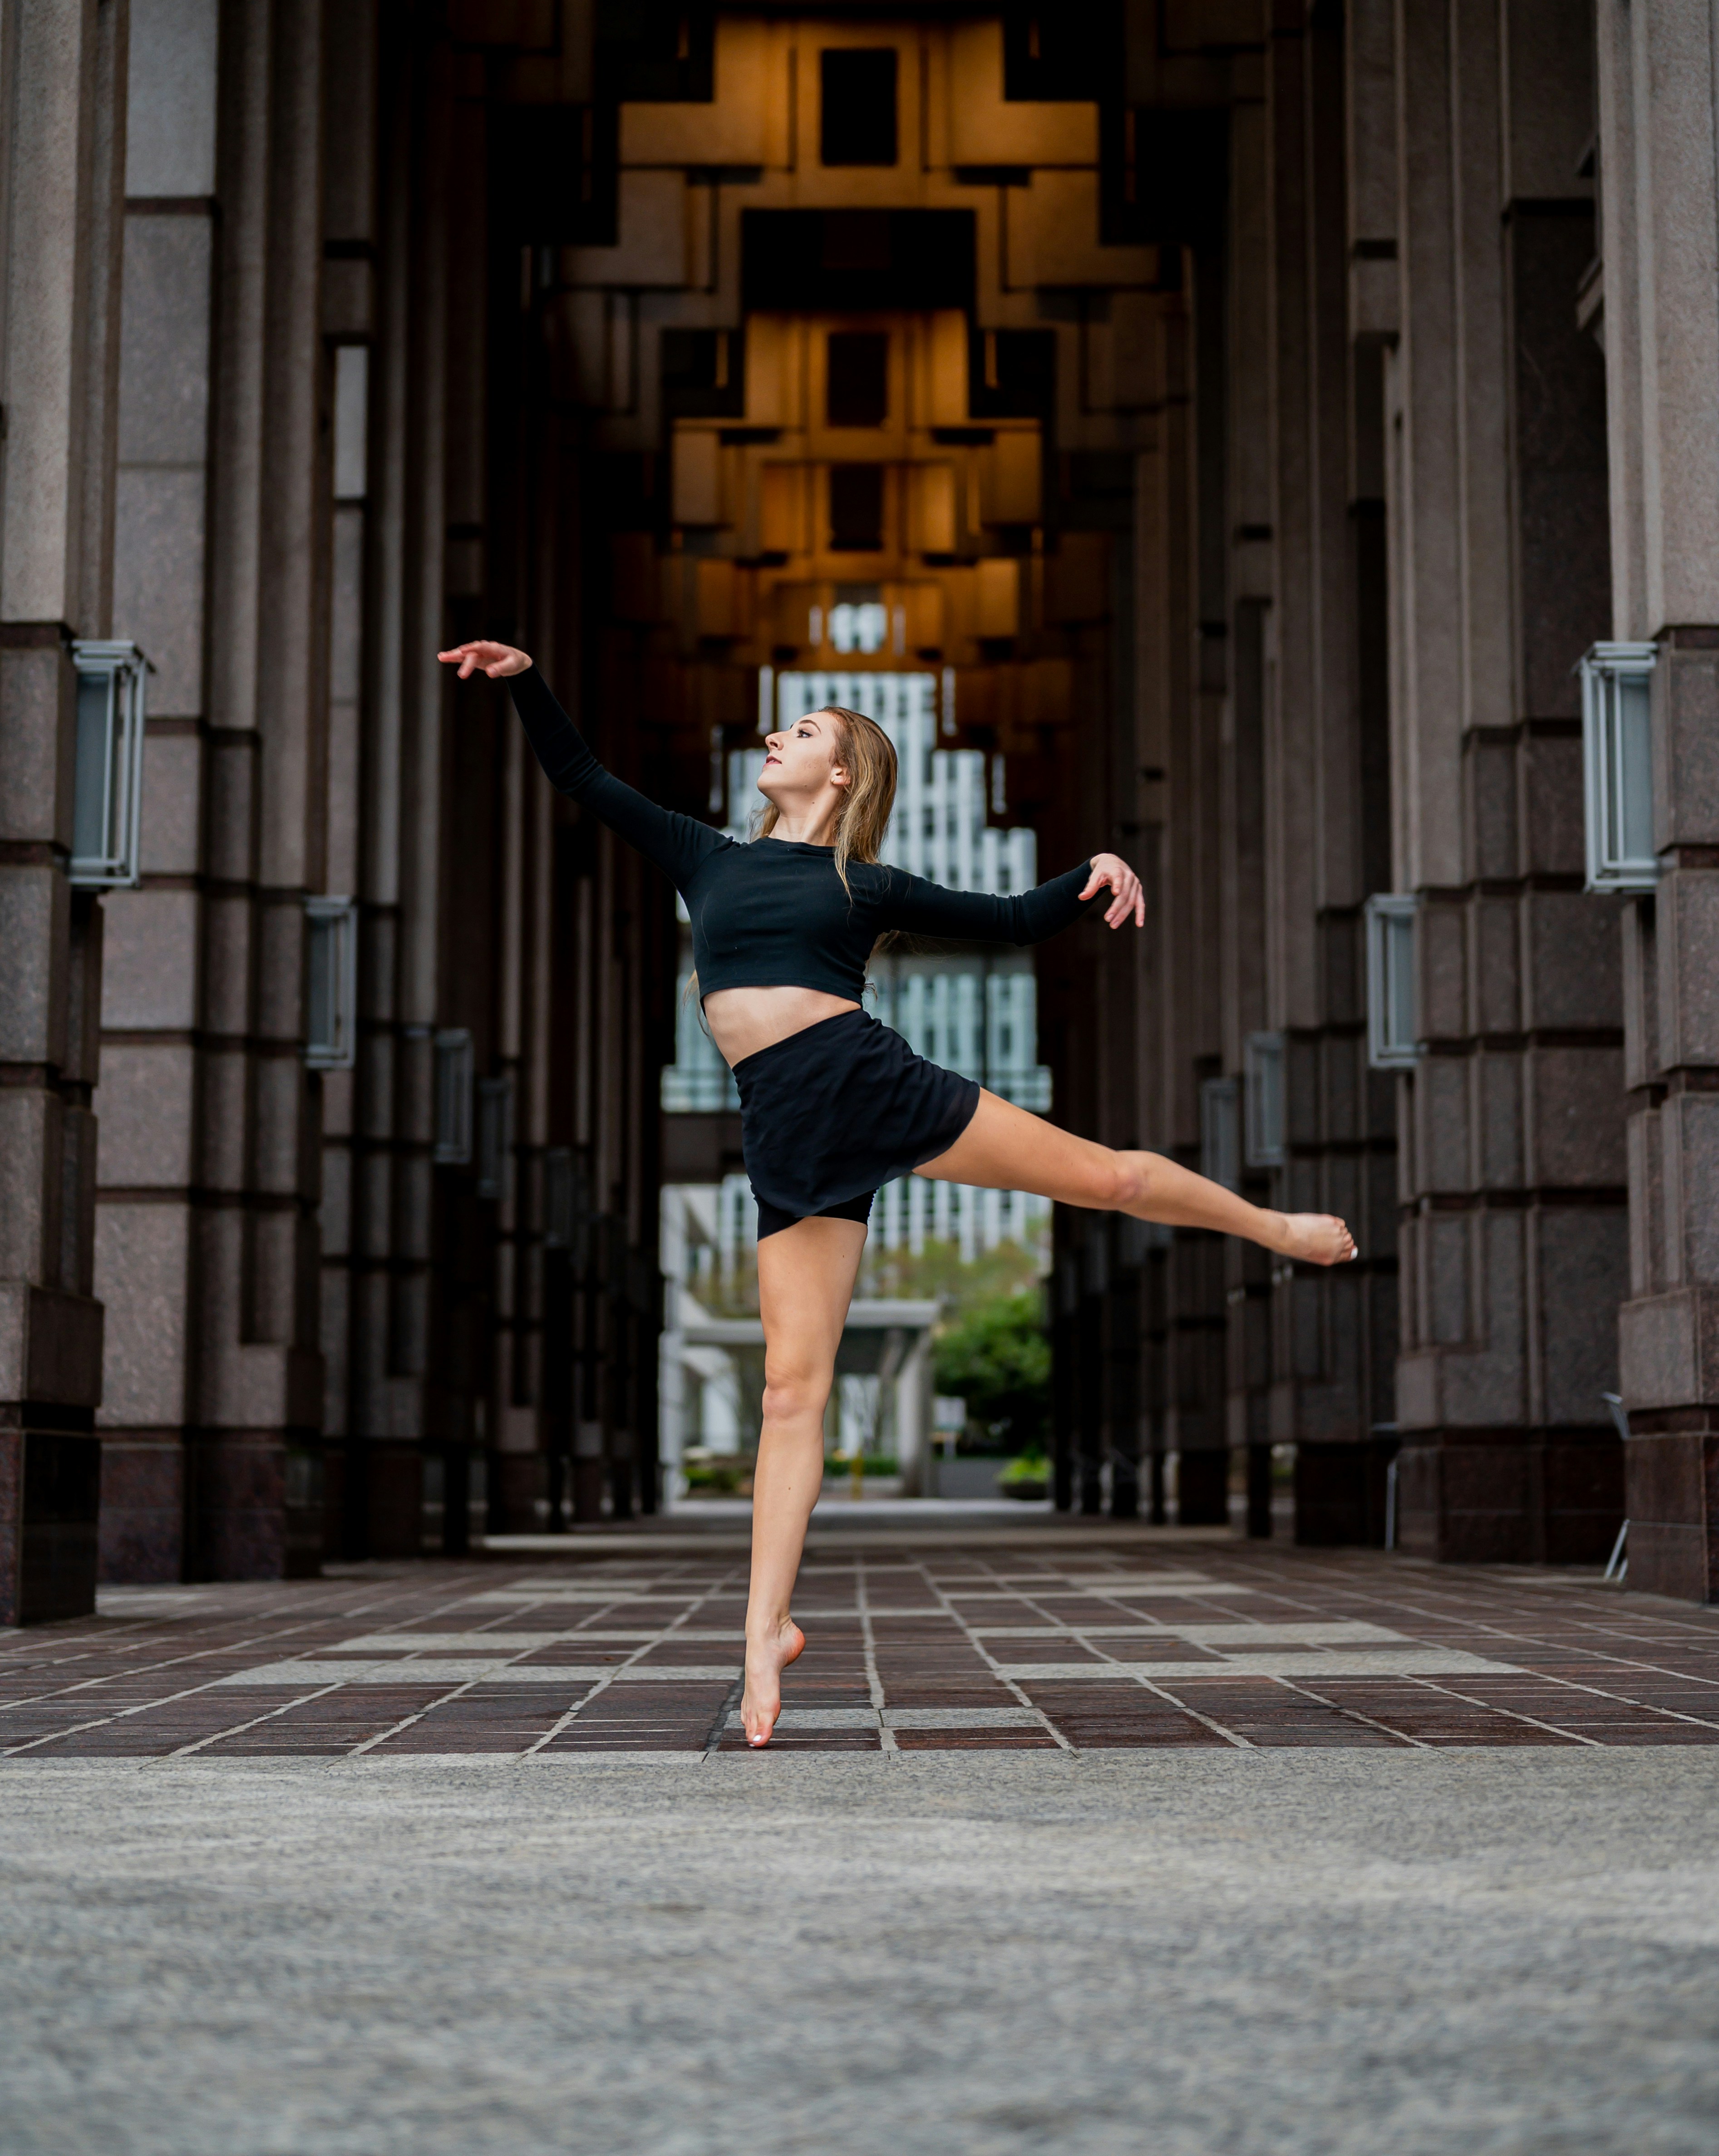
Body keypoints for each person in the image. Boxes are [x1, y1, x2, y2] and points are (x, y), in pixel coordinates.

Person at [439, 640, 1356, 1746]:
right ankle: (762, 1632)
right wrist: (531, 676)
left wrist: (1096, 867)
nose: (776, 738)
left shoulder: (858, 882)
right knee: (791, 1390)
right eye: (781, 729)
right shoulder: (703, 856)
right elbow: (582, 776)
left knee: (1104, 1177)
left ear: (842, 776)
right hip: (785, 1128)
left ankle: (1274, 1226)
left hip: (872, 1084)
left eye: (805, 732)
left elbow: (1015, 917)